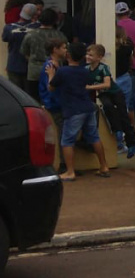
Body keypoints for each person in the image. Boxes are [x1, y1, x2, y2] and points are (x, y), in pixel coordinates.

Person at [47, 42, 110, 181]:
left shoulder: (63, 71)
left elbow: (51, 88)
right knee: (94, 137)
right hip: (88, 107)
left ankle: (70, 171)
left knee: (67, 140)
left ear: (68, 55)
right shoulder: (85, 71)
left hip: (73, 109)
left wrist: (51, 74)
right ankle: (104, 166)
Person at [85, 43, 135, 159]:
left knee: (123, 114)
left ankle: (132, 142)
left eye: (91, 55)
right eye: (87, 54)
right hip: (104, 94)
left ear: (99, 57)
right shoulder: (86, 69)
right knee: (108, 107)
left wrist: (89, 87)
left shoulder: (103, 68)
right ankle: (117, 130)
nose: (87, 57)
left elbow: (107, 84)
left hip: (115, 92)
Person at [19, 8, 67, 100]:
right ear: (55, 20)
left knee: (34, 100)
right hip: (55, 70)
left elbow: (24, 52)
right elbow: (65, 54)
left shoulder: (30, 35)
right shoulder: (60, 35)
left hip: (34, 72)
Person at [39, 38, 67, 173]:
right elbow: (49, 87)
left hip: (58, 102)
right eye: (63, 47)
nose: (65, 50)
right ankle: (63, 162)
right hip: (55, 104)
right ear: (55, 50)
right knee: (62, 132)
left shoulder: (57, 64)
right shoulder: (50, 66)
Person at [2, 3, 39, 90]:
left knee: (16, 93)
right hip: (29, 66)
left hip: (13, 64)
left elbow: (5, 38)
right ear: (34, 15)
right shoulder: (36, 27)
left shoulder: (8, 28)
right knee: (29, 94)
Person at [114, 26, 135, 129]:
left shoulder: (106, 47)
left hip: (110, 78)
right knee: (125, 105)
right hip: (124, 77)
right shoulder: (128, 47)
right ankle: (127, 128)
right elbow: (132, 61)